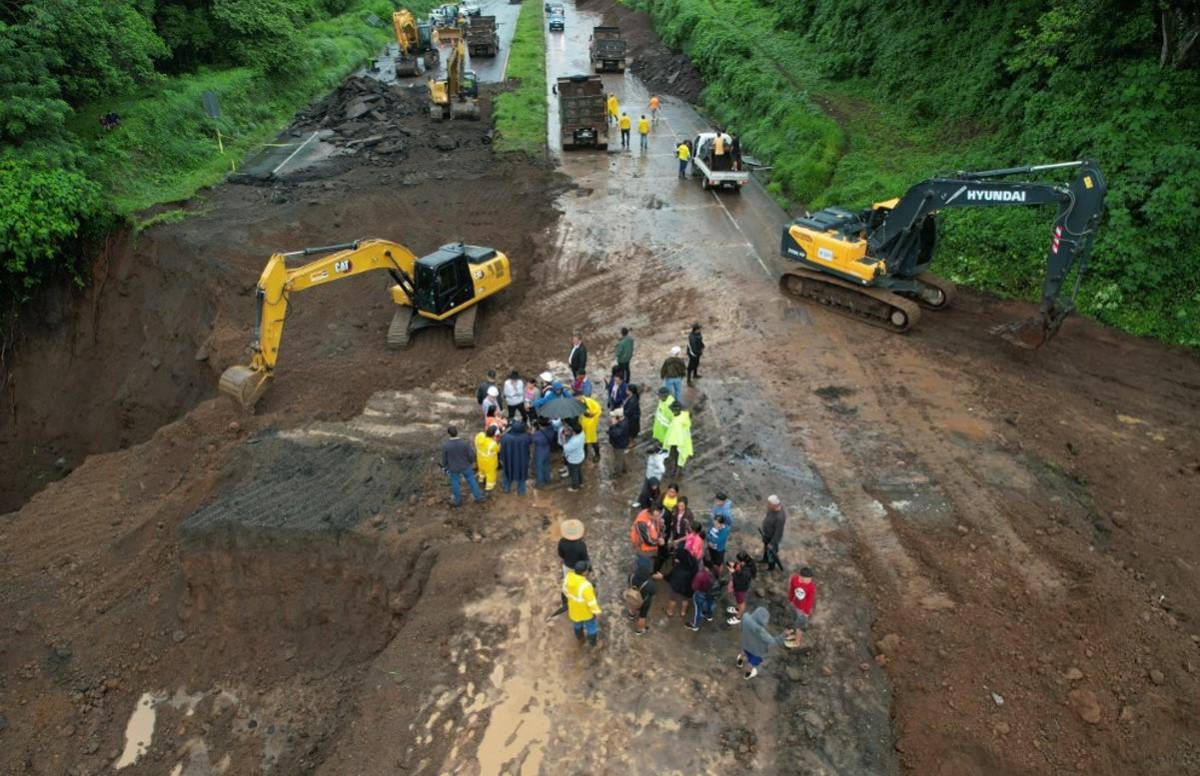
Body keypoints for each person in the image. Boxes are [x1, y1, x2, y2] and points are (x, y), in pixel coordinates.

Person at [550, 519, 589, 618]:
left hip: (567, 566)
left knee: (566, 584)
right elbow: (585, 558)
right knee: (579, 585)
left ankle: (565, 602)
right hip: (578, 568)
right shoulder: (581, 545)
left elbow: (560, 554)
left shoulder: (562, 542)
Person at [737, 607, 786, 679]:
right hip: (757, 652)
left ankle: (739, 662)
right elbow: (773, 641)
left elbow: (741, 627)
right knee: (751, 664)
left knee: (743, 652)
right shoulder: (761, 632)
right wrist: (784, 635)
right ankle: (747, 675)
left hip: (746, 643)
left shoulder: (745, 617)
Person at [442, 426, 484, 506]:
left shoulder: (446, 446)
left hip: (453, 468)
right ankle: (478, 497)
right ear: (457, 432)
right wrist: (472, 462)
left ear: (449, 434)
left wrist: (445, 467)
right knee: (471, 480)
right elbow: (471, 455)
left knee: (455, 483)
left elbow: (444, 459)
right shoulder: (464, 443)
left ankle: (457, 501)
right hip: (466, 466)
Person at [563, 560, 602, 648]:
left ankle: (580, 638)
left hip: (573, 610)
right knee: (591, 627)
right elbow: (592, 602)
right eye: (587, 570)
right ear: (584, 572)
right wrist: (597, 612)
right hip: (586, 613)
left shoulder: (568, 577)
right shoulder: (586, 586)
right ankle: (593, 643)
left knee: (577, 625)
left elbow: (565, 591)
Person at [659, 541, 698, 621]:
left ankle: (670, 612)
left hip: (678, 586)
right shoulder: (693, 562)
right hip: (689, 587)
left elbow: (670, 578)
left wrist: (662, 576)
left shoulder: (679, 570)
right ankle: (683, 612)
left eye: (677, 558)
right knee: (685, 599)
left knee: (673, 598)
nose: (676, 560)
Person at [498, 421, 532, 495]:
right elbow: (530, 440)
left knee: (507, 473)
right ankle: (521, 491)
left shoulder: (506, 438)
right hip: (522, 461)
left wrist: (501, 458)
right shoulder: (525, 438)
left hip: (508, 460)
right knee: (522, 474)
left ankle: (506, 488)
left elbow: (501, 449)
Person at [786, 566, 816, 646]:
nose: (810, 581)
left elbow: (810, 601)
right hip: (794, 605)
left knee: (800, 625)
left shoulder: (811, 587)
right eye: (808, 579)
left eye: (810, 579)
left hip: (803, 609)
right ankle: (791, 630)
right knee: (793, 618)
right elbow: (792, 590)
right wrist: (790, 600)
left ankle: (797, 641)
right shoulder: (794, 580)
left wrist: (806, 612)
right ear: (801, 577)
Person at [630, 504, 665, 572]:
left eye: (659, 516)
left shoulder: (654, 516)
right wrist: (659, 541)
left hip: (652, 548)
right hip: (644, 551)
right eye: (656, 516)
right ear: (649, 514)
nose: (658, 518)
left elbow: (658, 528)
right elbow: (648, 541)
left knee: (649, 566)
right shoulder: (641, 523)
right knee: (644, 569)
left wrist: (661, 527)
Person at [726, 552, 756, 625]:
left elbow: (739, 581)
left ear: (743, 561)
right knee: (738, 600)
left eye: (739, 561)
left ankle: (738, 617)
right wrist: (735, 565)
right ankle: (737, 609)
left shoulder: (746, 572)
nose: (738, 562)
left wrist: (733, 572)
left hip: (741, 588)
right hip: (740, 586)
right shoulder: (747, 563)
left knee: (741, 602)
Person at [664, 402, 693, 479]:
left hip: (678, 443)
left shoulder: (677, 421)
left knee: (677, 456)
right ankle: (677, 470)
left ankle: (677, 471)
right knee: (677, 457)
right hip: (679, 442)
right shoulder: (683, 416)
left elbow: (676, 433)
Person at [627, 560, 656, 635]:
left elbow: (629, 584)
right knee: (642, 616)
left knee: (633, 604)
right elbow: (653, 593)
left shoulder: (631, 576)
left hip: (632, 596)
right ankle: (639, 630)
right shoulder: (649, 584)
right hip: (644, 601)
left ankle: (631, 615)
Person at [760, 495, 787, 571]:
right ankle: (765, 559)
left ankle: (771, 567)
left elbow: (778, 533)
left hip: (772, 538)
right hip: (767, 534)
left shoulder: (780, 517)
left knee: (771, 553)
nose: (767, 505)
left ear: (775, 505)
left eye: (769, 504)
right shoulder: (771, 509)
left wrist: (772, 543)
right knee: (766, 548)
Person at [687, 563, 716, 632]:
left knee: (698, 610)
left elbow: (694, 587)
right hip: (712, 592)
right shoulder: (716, 571)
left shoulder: (701, 575)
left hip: (701, 593)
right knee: (710, 604)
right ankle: (709, 616)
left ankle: (695, 625)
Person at [578, 390, 602, 462]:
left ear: (581, 395)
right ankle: (585, 455)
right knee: (584, 441)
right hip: (582, 425)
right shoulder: (577, 403)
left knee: (593, 441)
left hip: (590, 425)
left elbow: (598, 409)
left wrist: (592, 414)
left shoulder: (589, 401)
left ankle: (597, 455)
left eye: (577, 397)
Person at [474, 425, 501, 491]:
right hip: (489, 463)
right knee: (490, 475)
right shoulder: (493, 444)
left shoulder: (479, 436)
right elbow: (498, 450)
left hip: (480, 460)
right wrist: (498, 443)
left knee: (481, 471)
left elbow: (482, 437)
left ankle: (481, 480)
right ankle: (489, 487)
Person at [562, 419, 586, 491]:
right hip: (580, 456)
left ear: (574, 432)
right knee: (579, 470)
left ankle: (575, 487)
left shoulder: (574, 441)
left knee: (574, 473)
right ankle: (581, 483)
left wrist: (564, 438)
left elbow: (566, 448)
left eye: (572, 430)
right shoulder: (582, 433)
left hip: (574, 459)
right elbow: (574, 435)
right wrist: (569, 434)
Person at [531, 419, 555, 487]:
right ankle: (548, 479)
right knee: (547, 465)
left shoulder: (537, 434)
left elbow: (532, 440)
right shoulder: (551, 430)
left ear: (540, 425)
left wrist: (533, 431)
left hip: (539, 451)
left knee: (539, 467)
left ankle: (540, 483)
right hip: (547, 449)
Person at [607, 408, 631, 476]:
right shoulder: (623, 421)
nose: (612, 418)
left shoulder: (621, 425)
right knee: (621, 456)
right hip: (622, 443)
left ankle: (617, 473)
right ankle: (624, 468)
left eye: (613, 416)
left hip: (619, 444)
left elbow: (615, 434)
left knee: (618, 459)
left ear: (618, 417)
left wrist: (613, 425)